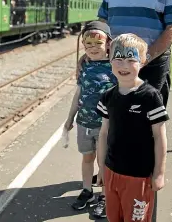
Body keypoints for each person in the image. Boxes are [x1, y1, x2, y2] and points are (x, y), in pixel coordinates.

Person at [95, 33, 169, 222]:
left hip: (139, 177)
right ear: (109, 60)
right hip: (111, 172)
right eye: (118, 59)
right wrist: (101, 168)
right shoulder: (108, 96)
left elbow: (160, 137)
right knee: (114, 218)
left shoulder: (150, 97)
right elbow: (103, 134)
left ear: (143, 62)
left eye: (131, 59)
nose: (124, 65)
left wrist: (159, 173)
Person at [64, 21, 117, 216]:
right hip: (84, 123)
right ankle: (88, 190)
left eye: (98, 44)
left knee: (104, 163)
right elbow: (78, 94)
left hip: (105, 126)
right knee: (87, 158)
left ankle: (105, 195)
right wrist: (70, 118)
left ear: (108, 44)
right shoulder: (84, 66)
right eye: (89, 45)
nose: (93, 49)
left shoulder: (115, 67)